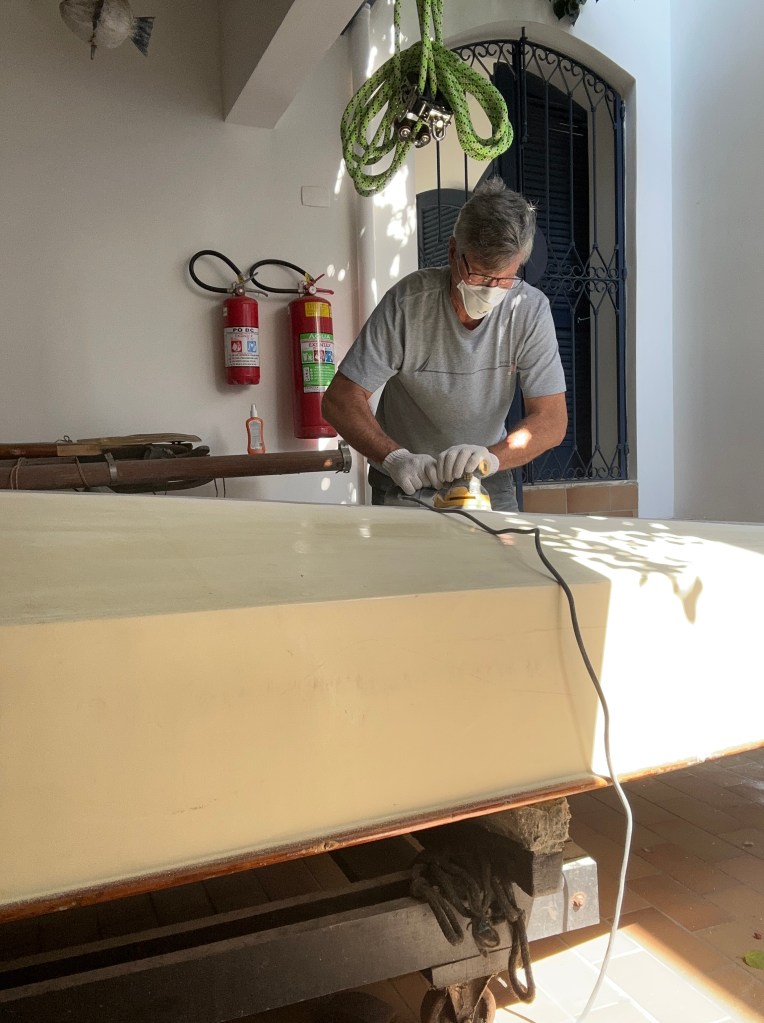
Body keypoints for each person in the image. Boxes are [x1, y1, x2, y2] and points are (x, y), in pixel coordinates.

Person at [322, 178, 568, 512]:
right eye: (479, 276)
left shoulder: (528, 310)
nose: (490, 290)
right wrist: (394, 458)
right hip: (406, 478)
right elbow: (340, 400)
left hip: (486, 476)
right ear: (453, 252)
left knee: (501, 547)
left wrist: (491, 458)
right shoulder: (409, 304)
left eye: (504, 279)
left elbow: (552, 420)